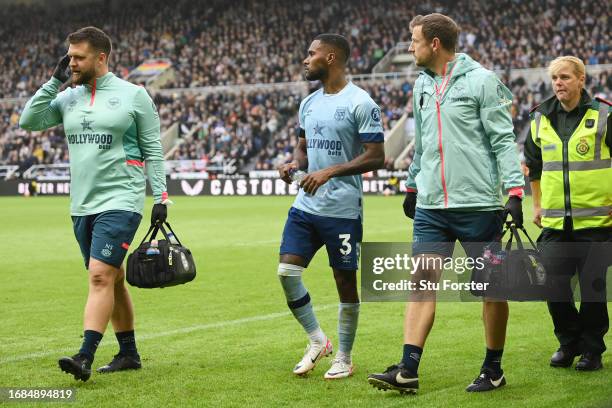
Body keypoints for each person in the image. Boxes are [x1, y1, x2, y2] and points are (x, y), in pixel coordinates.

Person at [367, 13, 524, 394]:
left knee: (490, 288)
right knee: (421, 280)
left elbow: (503, 140)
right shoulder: (421, 85)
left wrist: (515, 192)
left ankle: (493, 368)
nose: (409, 47)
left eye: (414, 41)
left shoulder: (483, 81)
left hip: (479, 207)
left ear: (434, 44)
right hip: (432, 207)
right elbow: (421, 144)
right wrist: (411, 185)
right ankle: (407, 368)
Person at [19, 26, 169, 382]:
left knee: (99, 275)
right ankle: (129, 354)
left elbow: (154, 149)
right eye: (69, 56)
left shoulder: (134, 95)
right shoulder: (67, 97)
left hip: (121, 199)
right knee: (114, 280)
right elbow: (29, 121)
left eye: (78, 57)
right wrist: (53, 83)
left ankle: (84, 356)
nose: (71, 62)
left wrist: (161, 196)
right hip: (81, 204)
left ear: (101, 57)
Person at [277, 33, 384, 379]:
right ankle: (316, 340)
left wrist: (329, 172)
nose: (306, 60)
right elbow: (303, 148)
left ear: (332, 57)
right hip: (306, 205)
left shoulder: (361, 102)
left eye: (312, 54)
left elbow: (376, 156)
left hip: (342, 210)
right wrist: (294, 166)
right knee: (287, 272)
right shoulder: (308, 103)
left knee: (345, 282)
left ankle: (345, 356)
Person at [524, 56, 611, 371]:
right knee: (552, 284)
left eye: (564, 77)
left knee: (592, 289)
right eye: (554, 79)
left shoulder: (604, 115)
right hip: (555, 222)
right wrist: (536, 204)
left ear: (581, 80)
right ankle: (568, 341)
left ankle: (592, 350)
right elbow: (533, 166)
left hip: (597, 222)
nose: (558, 83)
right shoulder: (539, 119)